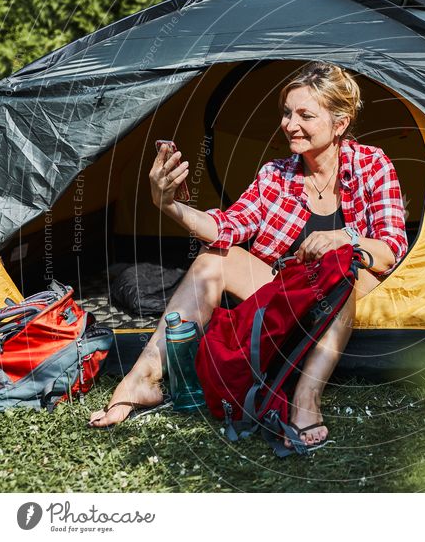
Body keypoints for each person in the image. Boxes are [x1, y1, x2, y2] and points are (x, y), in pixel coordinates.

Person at [89, 62, 408, 448]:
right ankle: (145, 376)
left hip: (345, 294)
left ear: (339, 123)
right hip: (288, 292)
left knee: (339, 264)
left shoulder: (373, 165)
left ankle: (306, 399)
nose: (290, 124)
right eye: (287, 113)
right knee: (213, 258)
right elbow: (228, 226)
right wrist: (168, 205)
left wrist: (344, 238)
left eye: (305, 115)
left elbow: (390, 249)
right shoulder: (276, 174)